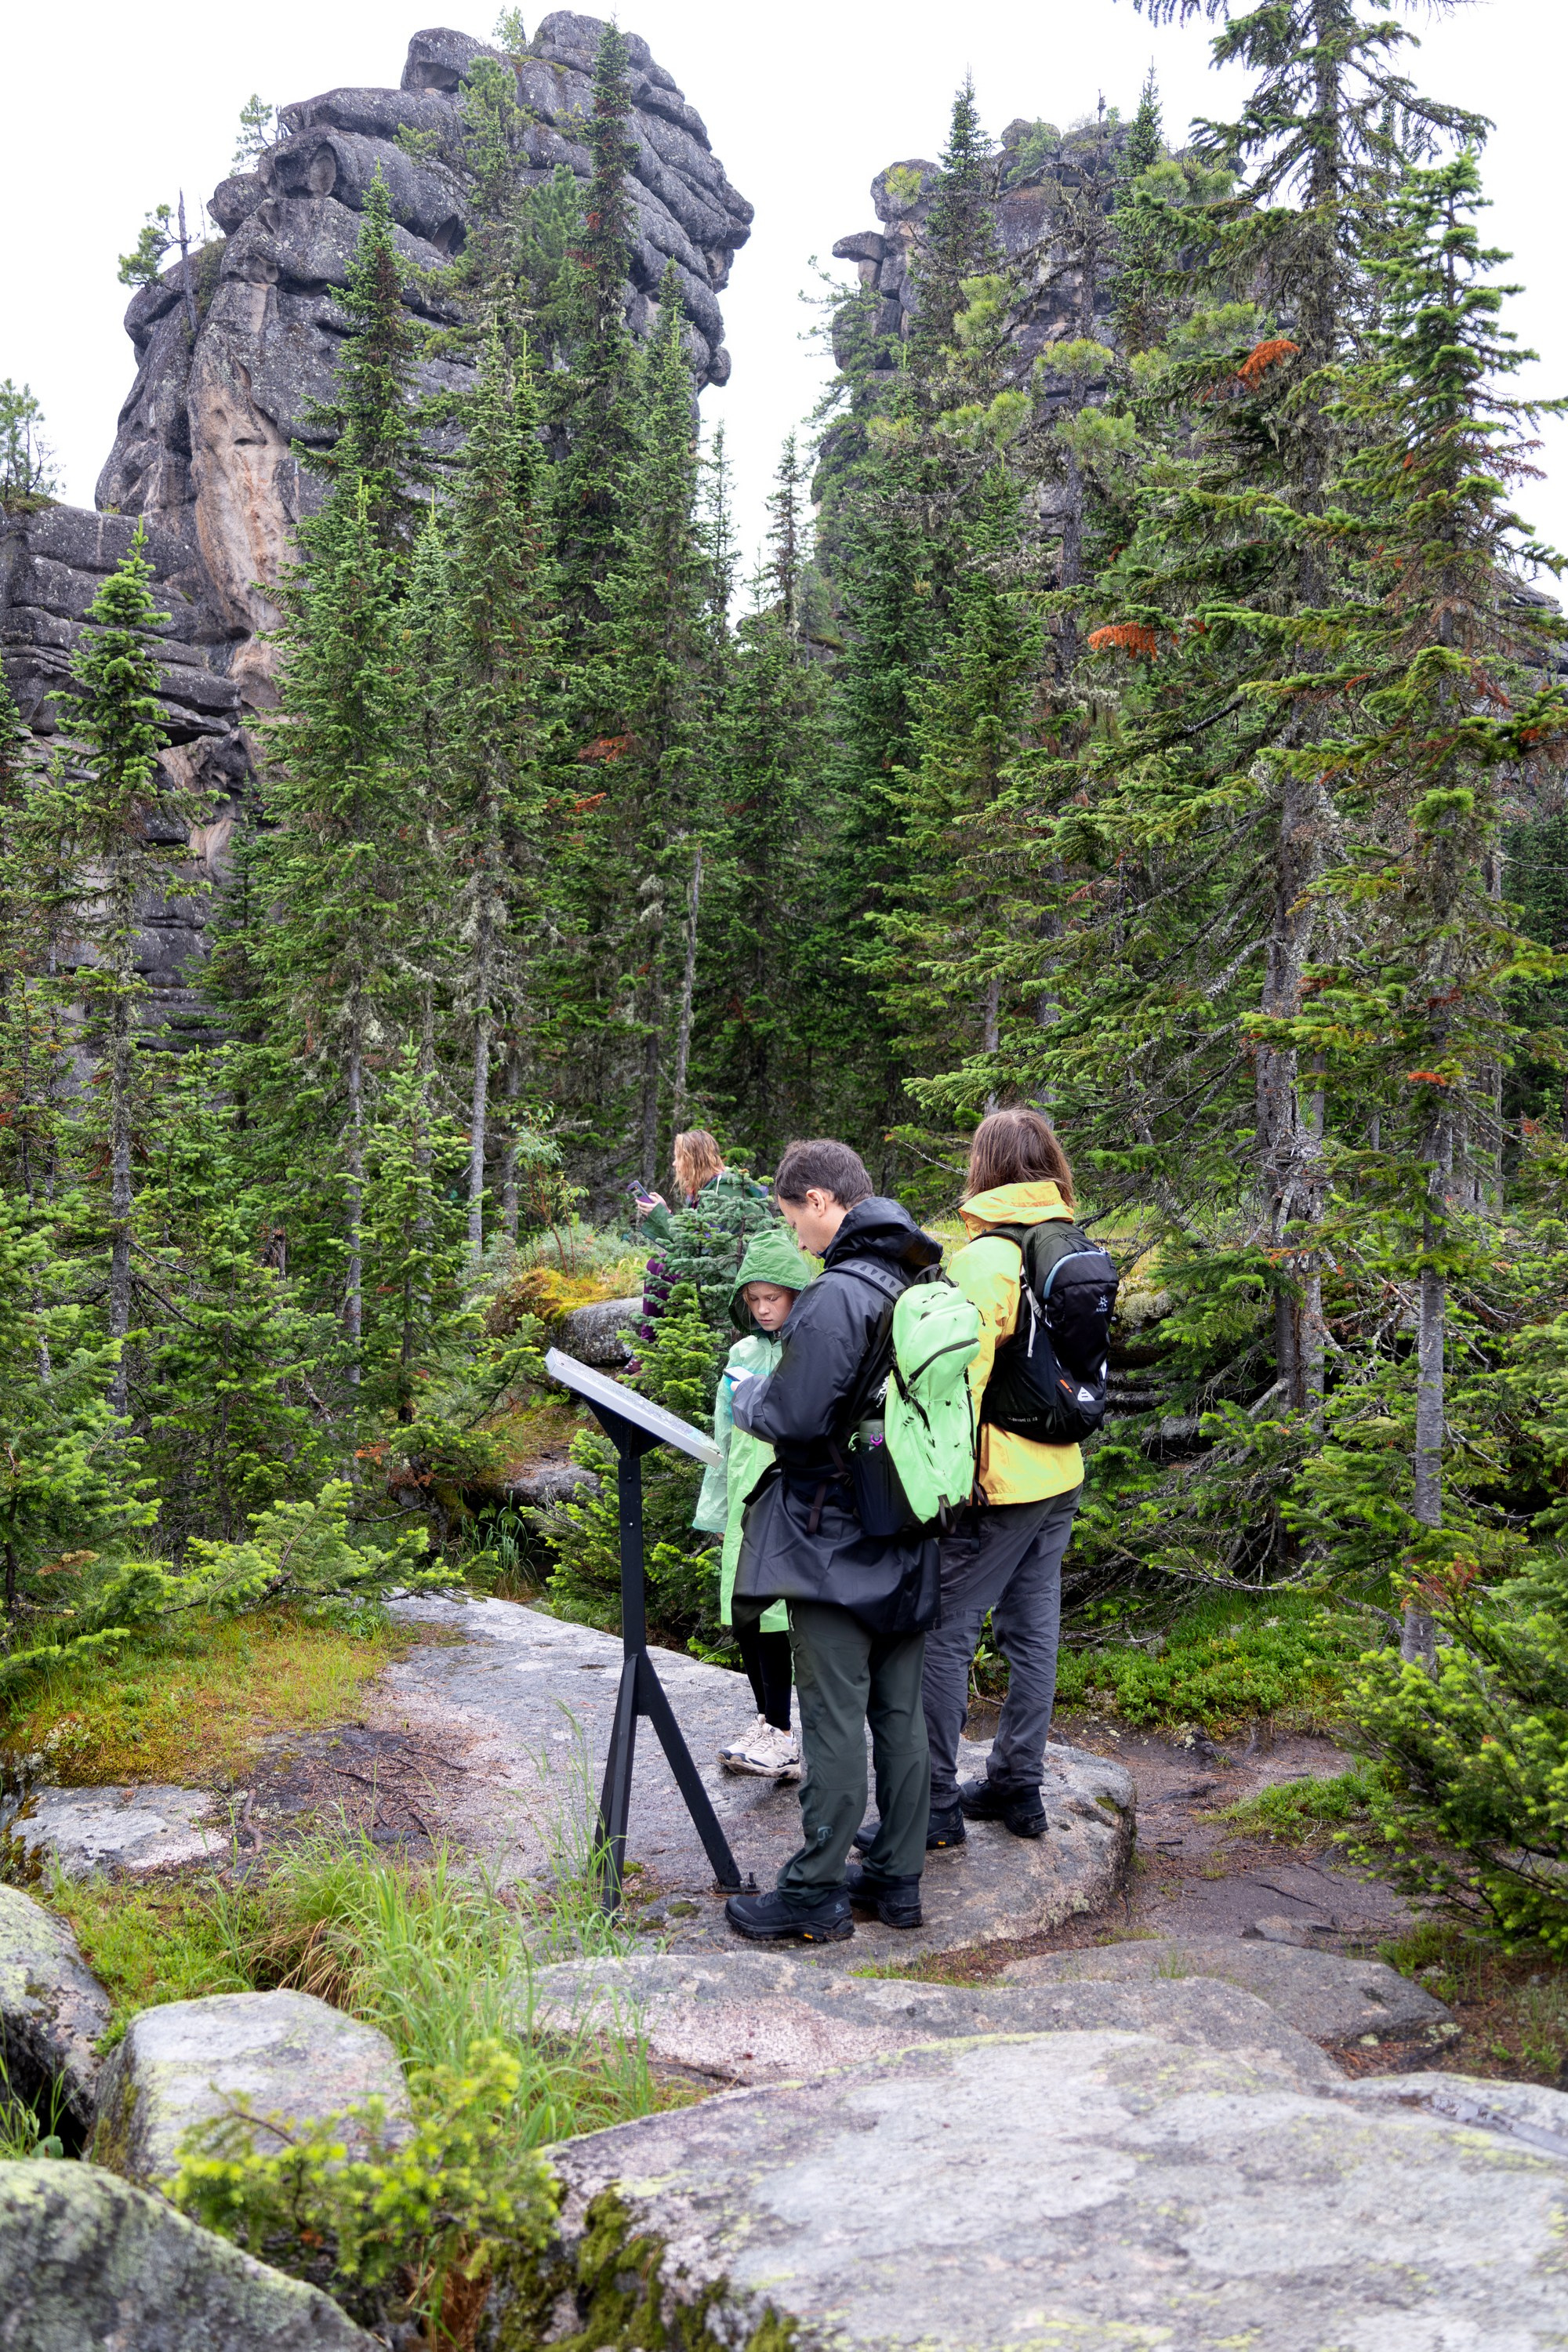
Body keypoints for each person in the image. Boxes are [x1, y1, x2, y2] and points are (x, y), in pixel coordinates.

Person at [722, 1138, 943, 1944]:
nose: (797, 1237)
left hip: (834, 1535)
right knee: (900, 1711)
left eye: (793, 1219)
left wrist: (749, 1398)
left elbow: (798, 1415)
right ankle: (896, 1878)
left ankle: (814, 1892)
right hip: (910, 1519)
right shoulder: (922, 1273)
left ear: (820, 1201)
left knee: (833, 1718)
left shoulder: (837, 1295)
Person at [917, 1105, 1085, 1844]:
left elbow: (962, 1381)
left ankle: (932, 1805)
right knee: (1034, 1631)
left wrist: (946, 1481)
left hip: (999, 1481)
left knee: (942, 1631)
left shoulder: (988, 1258)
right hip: (1060, 1470)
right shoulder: (1070, 1242)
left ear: (984, 1168)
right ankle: (1020, 1786)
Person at [691, 1226, 816, 1783]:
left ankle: (783, 1735)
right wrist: (718, 1514)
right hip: (745, 1504)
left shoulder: (809, 1350)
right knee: (746, 1616)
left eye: (774, 1298)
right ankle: (767, 1723)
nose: (763, 1309)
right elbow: (722, 1438)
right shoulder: (741, 1353)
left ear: (796, 1295)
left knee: (777, 1618)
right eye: (754, 1299)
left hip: (790, 1504)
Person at [637, 1129, 774, 1334]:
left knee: (659, 1266)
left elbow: (697, 1249)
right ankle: (653, 1340)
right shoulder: (709, 1188)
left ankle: (651, 1341)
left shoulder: (723, 1191)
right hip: (718, 1269)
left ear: (692, 1160)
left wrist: (660, 1216)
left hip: (730, 1277)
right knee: (659, 1263)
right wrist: (666, 1213)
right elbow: (697, 1238)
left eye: (678, 1158)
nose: (674, 1164)